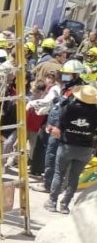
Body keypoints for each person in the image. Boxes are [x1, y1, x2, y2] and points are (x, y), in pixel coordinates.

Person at [44, 85, 97, 215]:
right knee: (74, 178)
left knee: (58, 174)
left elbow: (59, 126)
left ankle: (52, 202)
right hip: (86, 149)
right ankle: (65, 205)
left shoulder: (69, 107)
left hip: (67, 146)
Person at [40, 60, 87, 190]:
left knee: (59, 159)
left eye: (68, 74)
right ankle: (49, 184)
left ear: (76, 75)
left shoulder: (80, 91)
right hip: (55, 126)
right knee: (51, 156)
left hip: (66, 130)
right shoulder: (65, 88)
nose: (64, 77)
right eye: (64, 74)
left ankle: (55, 186)